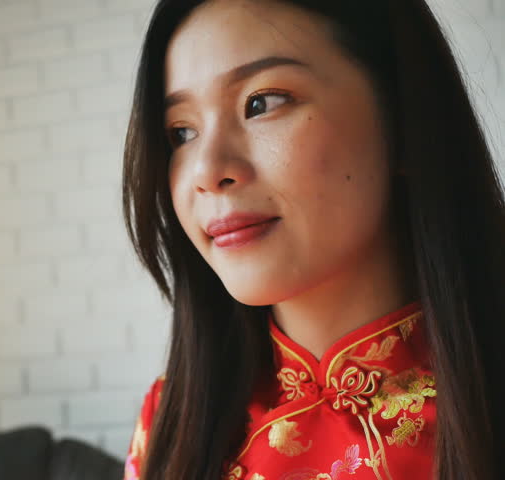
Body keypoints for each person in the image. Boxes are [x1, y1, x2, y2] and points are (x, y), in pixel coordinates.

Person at [120, 0, 505, 479]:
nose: (207, 171)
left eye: (261, 103)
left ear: (404, 120)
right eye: (181, 132)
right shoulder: (169, 422)